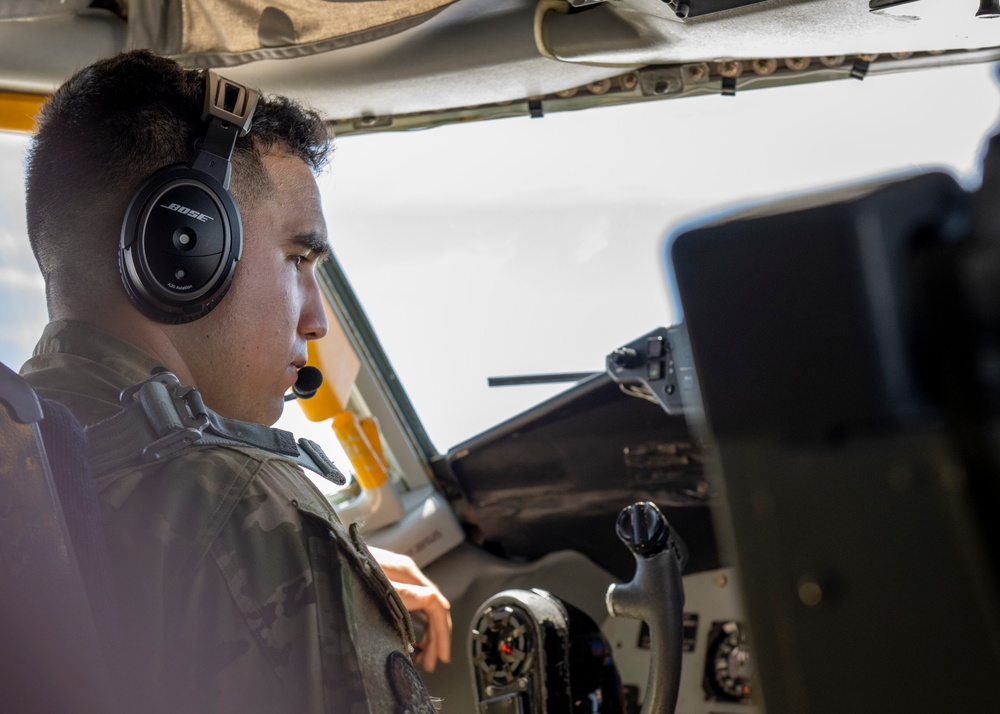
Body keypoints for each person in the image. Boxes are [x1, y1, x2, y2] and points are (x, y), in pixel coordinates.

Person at [20, 50, 451, 713]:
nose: (316, 320)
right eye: (298, 259)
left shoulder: (25, 457)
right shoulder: (245, 504)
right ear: (184, 249)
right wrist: (284, 548)